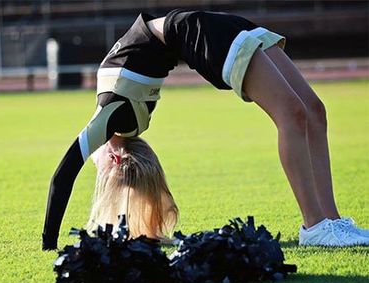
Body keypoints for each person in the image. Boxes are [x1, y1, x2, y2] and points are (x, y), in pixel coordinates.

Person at [42, 10, 369, 250]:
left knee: (314, 111)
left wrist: (49, 244)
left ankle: (330, 220)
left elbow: (62, 175)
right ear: (117, 157)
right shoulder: (124, 123)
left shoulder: (107, 119)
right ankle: (315, 225)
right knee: (295, 113)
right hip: (197, 32)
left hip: (197, 27)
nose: (96, 163)